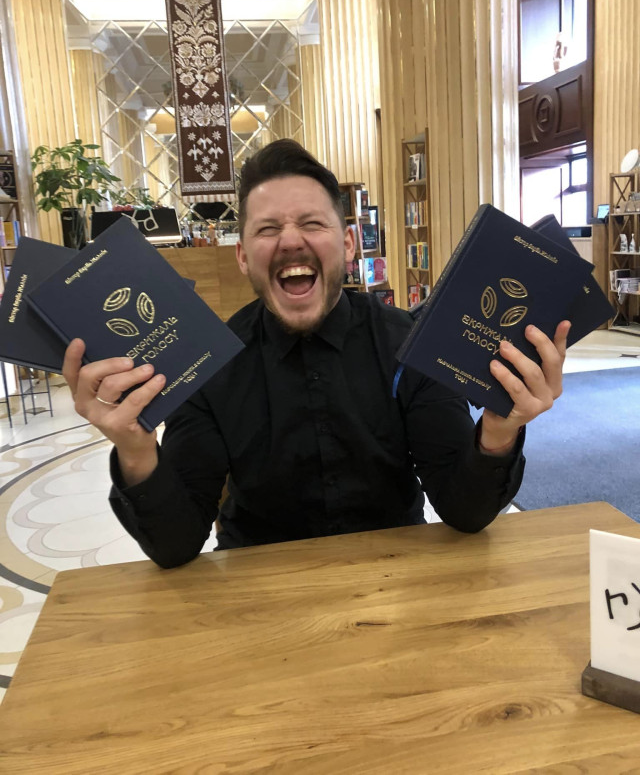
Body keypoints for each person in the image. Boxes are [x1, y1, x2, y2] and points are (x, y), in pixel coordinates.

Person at [62, 139, 570, 568]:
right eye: (267, 229)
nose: (290, 241)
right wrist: (135, 449)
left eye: (312, 223)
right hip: (257, 590)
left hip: (396, 582)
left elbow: (464, 512)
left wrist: (499, 431)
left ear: (349, 244)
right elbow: (175, 547)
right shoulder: (211, 363)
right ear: (243, 256)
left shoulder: (407, 344)